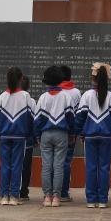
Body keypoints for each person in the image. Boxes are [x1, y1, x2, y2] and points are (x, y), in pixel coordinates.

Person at [74, 62, 111, 208]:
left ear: (93, 78)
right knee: (104, 168)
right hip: (106, 136)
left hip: (90, 136)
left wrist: (78, 133)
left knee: (91, 167)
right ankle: (103, 200)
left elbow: (80, 117)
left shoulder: (86, 95)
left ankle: (91, 200)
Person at [34, 65, 75, 207]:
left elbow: (38, 119)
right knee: (59, 166)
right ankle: (57, 197)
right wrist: (72, 134)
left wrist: (37, 135)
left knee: (46, 166)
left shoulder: (43, 97)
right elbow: (70, 117)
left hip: (46, 134)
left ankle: (47, 197)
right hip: (61, 134)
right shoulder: (66, 96)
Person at [0, 67, 36, 205]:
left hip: (5, 135)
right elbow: (30, 117)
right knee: (17, 165)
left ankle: (4, 195)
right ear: (21, 78)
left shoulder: (3, 96)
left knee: (5, 165)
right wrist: (31, 134)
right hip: (19, 136)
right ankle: (14, 196)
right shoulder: (25, 96)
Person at [57, 65, 80, 202]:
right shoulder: (76, 92)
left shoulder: (54, 91)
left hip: (55, 129)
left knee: (53, 161)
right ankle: (64, 193)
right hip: (70, 131)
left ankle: (52, 192)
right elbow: (77, 113)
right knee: (66, 161)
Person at [18, 76, 34, 202]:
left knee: (13, 164)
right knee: (26, 166)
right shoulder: (31, 101)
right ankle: (23, 192)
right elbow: (33, 120)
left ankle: (10, 190)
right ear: (28, 86)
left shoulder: (7, 97)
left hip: (12, 136)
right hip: (26, 139)